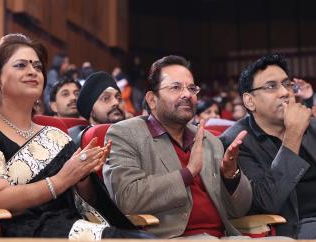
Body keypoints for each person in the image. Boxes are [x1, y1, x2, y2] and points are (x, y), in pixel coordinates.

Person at [0, 33, 154, 240]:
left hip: (70, 227)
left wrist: (81, 178)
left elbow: (86, 204)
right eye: (21, 65)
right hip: (20, 232)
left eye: (37, 66)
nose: (32, 72)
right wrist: (61, 180)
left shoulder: (54, 135)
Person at [103, 55, 251, 239]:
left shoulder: (210, 140)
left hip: (225, 236)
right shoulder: (125, 134)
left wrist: (231, 177)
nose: (187, 94)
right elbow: (126, 198)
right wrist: (188, 173)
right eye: (175, 87)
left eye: (191, 88)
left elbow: (241, 210)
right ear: (151, 99)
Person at [220, 54, 316, 239]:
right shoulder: (237, 141)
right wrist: (293, 135)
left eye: (287, 84)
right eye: (271, 86)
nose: (284, 92)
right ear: (249, 101)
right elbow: (266, 201)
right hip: (296, 226)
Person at [69, 71, 126, 146]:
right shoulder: (75, 143)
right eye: (106, 98)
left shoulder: (134, 133)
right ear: (91, 111)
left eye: (119, 98)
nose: (116, 102)